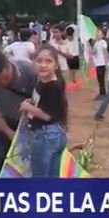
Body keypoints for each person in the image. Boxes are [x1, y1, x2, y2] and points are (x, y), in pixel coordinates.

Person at [0, 51, 38, 177]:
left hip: (32, 122)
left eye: (5, 78)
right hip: (6, 120)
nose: (3, 83)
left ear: (9, 65)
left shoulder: (29, 70)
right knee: (2, 158)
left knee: (35, 159)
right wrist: (8, 132)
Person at [22, 46, 68, 178]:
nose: (43, 65)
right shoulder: (42, 82)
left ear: (56, 65)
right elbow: (44, 104)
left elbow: (47, 116)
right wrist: (32, 103)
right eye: (39, 61)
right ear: (33, 62)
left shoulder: (52, 86)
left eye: (48, 61)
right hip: (54, 134)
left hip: (46, 136)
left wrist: (28, 108)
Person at [91, 30, 108, 100]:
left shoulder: (103, 42)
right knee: (99, 79)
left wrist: (106, 61)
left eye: (99, 34)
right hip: (98, 64)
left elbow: (105, 51)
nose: (97, 35)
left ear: (102, 36)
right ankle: (101, 93)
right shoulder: (96, 43)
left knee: (101, 79)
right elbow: (93, 52)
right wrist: (89, 45)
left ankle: (103, 93)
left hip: (102, 63)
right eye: (97, 34)